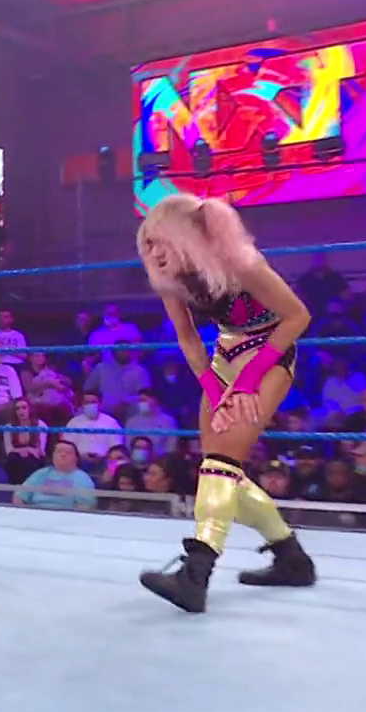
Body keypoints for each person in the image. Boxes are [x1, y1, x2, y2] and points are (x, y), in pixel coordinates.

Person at [133, 193, 316, 613]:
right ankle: (291, 557)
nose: (154, 252)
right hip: (225, 355)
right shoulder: (173, 279)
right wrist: (216, 389)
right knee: (220, 469)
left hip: (269, 353)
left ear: (185, 236)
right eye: (148, 244)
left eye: (160, 240)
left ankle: (195, 573)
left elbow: (298, 316)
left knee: (220, 467)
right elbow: (187, 338)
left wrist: (249, 382)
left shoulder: (242, 264)